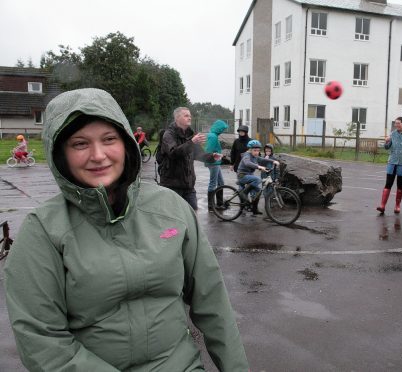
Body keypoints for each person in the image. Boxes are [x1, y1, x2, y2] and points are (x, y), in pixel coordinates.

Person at [3, 88, 249, 371]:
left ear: (125, 143)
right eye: (80, 144)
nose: (98, 155)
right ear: (60, 154)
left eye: (109, 139)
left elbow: (213, 302)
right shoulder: (43, 231)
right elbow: (42, 340)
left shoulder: (170, 208)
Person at [159, 107, 220, 211]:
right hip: (172, 186)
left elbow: (198, 154)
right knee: (175, 219)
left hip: (189, 186)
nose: (190, 118)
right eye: (186, 115)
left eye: (190, 115)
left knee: (193, 216)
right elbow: (174, 153)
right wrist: (192, 142)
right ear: (177, 118)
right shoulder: (168, 135)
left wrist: (211, 156)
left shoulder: (190, 135)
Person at [376, 117, 402, 214]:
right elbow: (386, 147)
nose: (396, 125)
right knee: (388, 183)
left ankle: (397, 206)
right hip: (392, 162)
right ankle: (382, 205)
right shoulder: (393, 134)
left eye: (398, 123)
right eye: (395, 123)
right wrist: (386, 141)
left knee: (400, 184)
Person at [237, 140, 279, 215]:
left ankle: (254, 209)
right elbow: (247, 163)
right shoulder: (247, 155)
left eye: (258, 150)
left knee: (258, 191)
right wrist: (258, 166)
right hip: (242, 175)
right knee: (258, 179)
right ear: (250, 150)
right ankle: (243, 193)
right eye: (255, 150)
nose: (257, 152)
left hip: (249, 175)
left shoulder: (255, 156)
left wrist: (273, 161)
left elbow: (262, 159)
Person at [205, 119, 228, 211]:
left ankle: (219, 203)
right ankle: (211, 206)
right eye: (222, 129)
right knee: (213, 183)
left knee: (221, 183)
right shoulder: (213, 136)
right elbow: (209, 151)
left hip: (215, 162)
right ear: (218, 128)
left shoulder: (213, 135)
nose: (222, 131)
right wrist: (220, 155)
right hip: (213, 162)